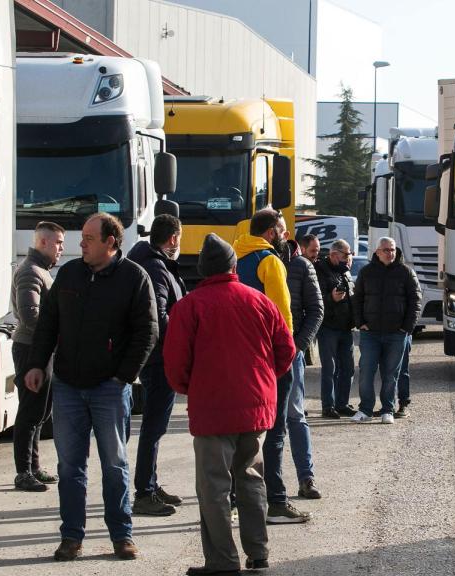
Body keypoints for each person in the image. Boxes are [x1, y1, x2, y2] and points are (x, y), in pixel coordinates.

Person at [25, 212, 158, 562]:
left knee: (114, 465)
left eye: (88, 238)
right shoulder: (69, 274)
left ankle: (121, 535)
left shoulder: (134, 278)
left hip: (109, 389)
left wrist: (123, 377)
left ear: (110, 242)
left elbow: (148, 331)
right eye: (81, 237)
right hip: (68, 385)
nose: (79, 243)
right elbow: (48, 324)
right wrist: (37, 364)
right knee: (70, 467)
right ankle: (71, 537)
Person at [164, 234, 295, 576]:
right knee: (251, 479)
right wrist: (265, 379)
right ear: (234, 266)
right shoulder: (260, 301)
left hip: (212, 407)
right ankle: (259, 553)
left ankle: (223, 560)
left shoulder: (190, 305)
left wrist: (190, 388)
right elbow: (287, 350)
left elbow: (176, 362)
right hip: (255, 404)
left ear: (204, 269)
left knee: (214, 487)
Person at [232, 208, 309, 524]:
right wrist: (287, 356)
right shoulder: (270, 261)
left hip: (239, 358)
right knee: (275, 431)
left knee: (240, 433)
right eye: (281, 229)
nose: (285, 235)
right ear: (269, 233)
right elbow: (283, 316)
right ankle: (276, 502)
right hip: (269, 360)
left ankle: (236, 500)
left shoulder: (234, 258)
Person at [127, 214, 187, 516]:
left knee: (155, 426)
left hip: (154, 356)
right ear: (173, 239)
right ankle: (144, 492)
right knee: (153, 427)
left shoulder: (148, 262)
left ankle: (150, 481)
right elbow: (160, 316)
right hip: (159, 358)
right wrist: (181, 338)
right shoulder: (156, 268)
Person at [11, 221, 65, 492]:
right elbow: (29, 313)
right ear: (43, 242)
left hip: (42, 349)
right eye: (57, 243)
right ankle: (23, 472)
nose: (60, 249)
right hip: (31, 349)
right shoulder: (31, 272)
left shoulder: (41, 271)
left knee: (41, 412)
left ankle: (33, 467)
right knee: (30, 411)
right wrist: (55, 335)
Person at [351, 237, 422, 424]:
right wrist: (360, 322)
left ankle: (387, 410)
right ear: (377, 252)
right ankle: (365, 410)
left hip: (396, 334)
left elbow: (416, 302)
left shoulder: (406, 272)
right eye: (386, 250)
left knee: (391, 374)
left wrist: (406, 328)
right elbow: (357, 299)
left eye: (392, 250)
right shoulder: (366, 272)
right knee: (366, 372)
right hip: (370, 333)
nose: (390, 253)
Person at [283, 238, 324, 499]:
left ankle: (305, 478)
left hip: (290, 353)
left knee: (295, 416)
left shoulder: (300, 265)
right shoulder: (253, 261)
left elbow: (316, 310)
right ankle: (254, 485)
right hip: (259, 356)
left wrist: (299, 346)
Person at [314, 240, 357, 418]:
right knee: (329, 369)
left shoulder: (346, 273)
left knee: (347, 368)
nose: (349, 259)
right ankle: (328, 406)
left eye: (350, 255)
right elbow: (315, 300)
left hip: (346, 328)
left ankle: (342, 403)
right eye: (346, 255)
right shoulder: (319, 270)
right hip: (328, 328)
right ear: (333, 255)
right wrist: (331, 298)